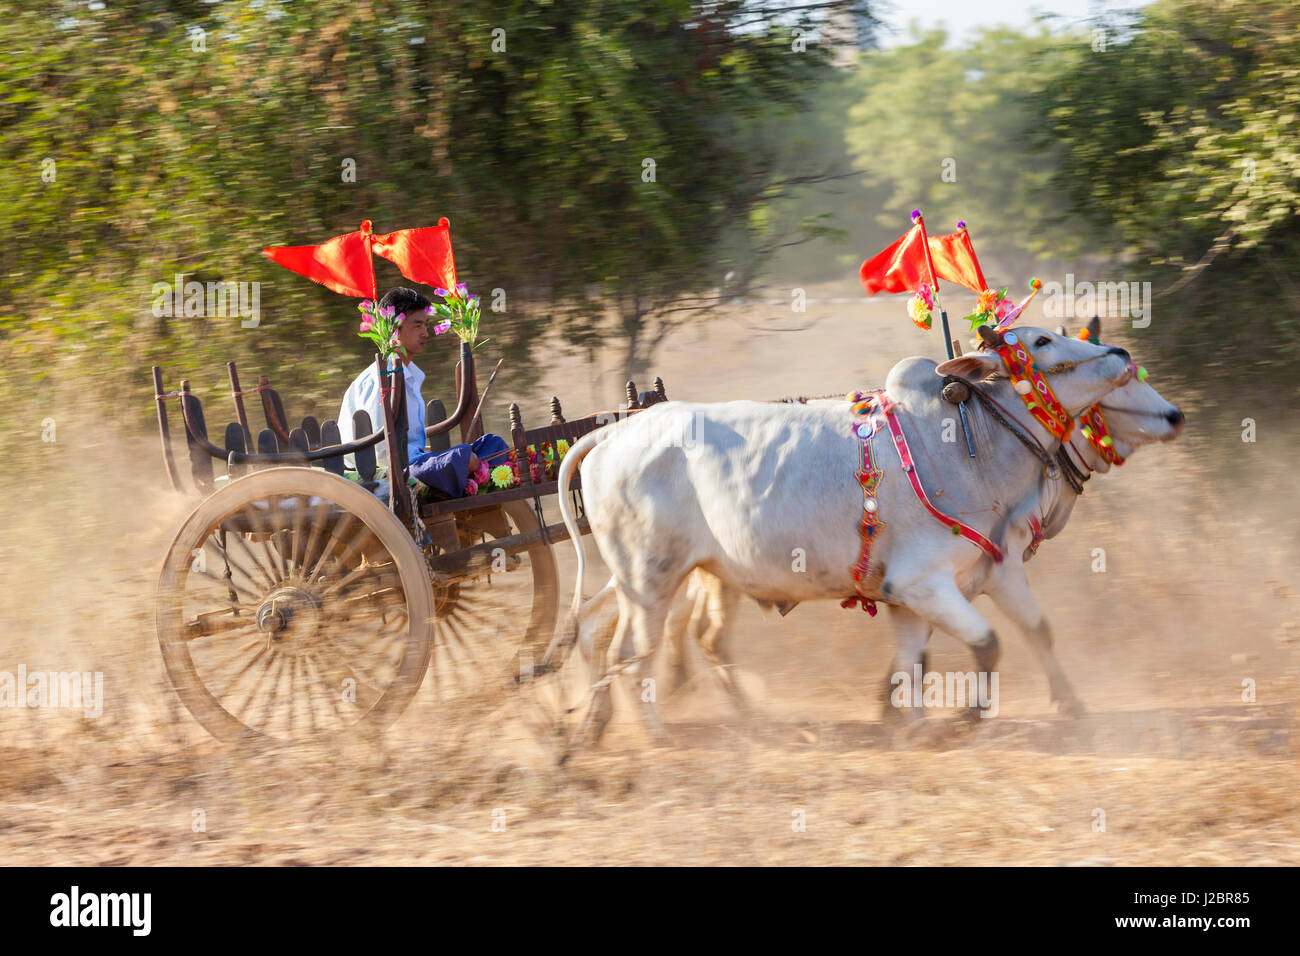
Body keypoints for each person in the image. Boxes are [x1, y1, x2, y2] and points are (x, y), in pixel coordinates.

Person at [338, 287, 431, 469]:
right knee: (462, 459)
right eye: (417, 325)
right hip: (387, 472)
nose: (426, 333)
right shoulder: (379, 379)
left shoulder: (411, 375)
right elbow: (381, 452)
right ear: (393, 329)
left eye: (426, 325)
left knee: (490, 444)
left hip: (413, 461)